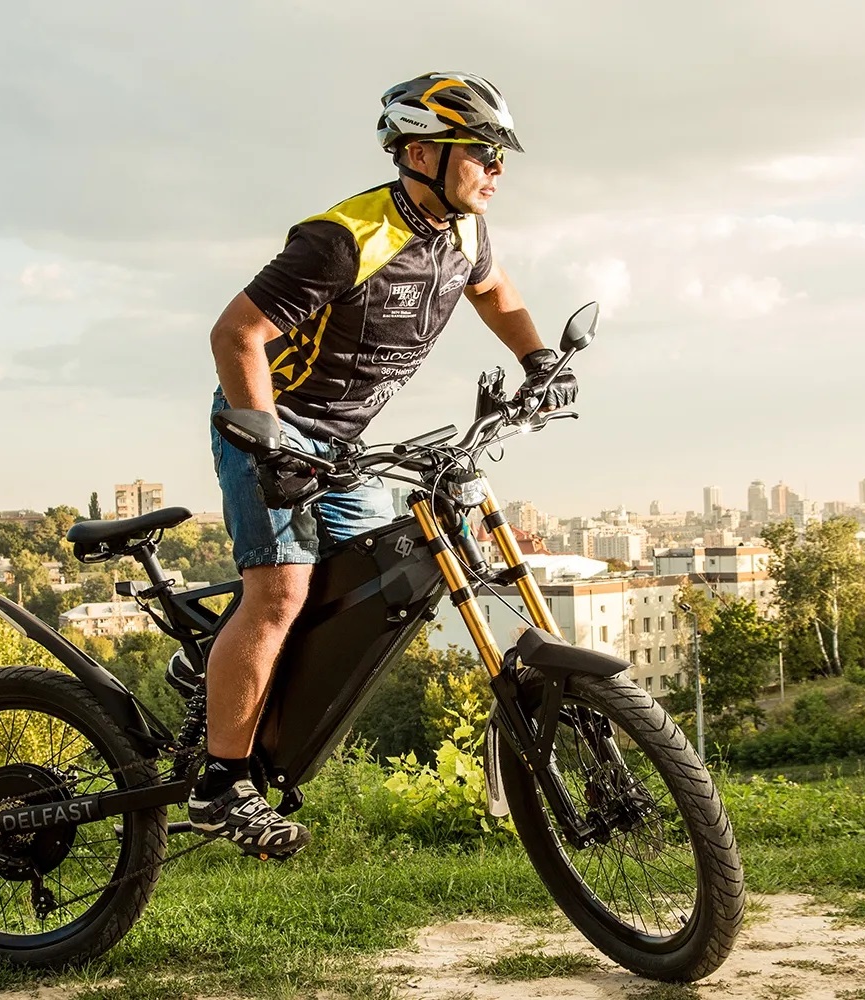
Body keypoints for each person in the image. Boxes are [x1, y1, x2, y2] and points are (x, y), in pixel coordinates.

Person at [191, 72, 578, 857]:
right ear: (423, 152)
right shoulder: (343, 239)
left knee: (380, 586)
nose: (498, 170)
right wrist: (268, 443)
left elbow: (496, 292)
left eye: (500, 155)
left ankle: (221, 679)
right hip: (273, 428)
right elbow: (236, 335)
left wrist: (538, 359)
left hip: (349, 447)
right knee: (282, 592)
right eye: (484, 153)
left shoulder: (464, 232)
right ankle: (220, 781)